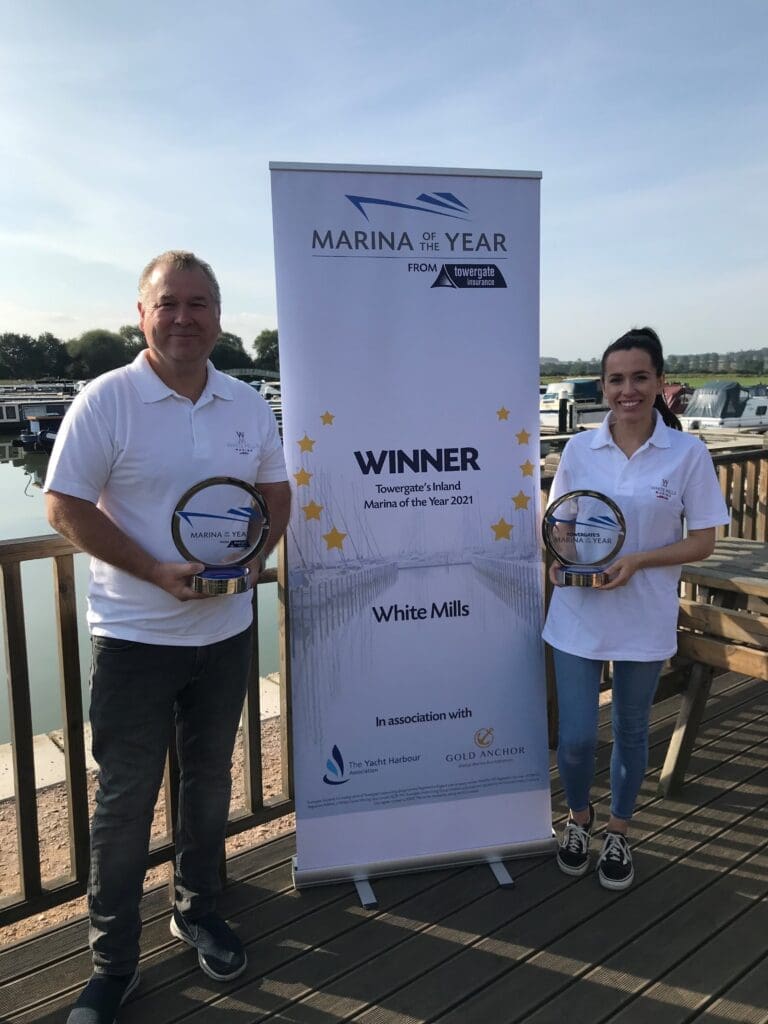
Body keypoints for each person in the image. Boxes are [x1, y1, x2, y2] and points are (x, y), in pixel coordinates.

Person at [44, 251, 291, 1024]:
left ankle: (198, 909)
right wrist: (154, 569)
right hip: (134, 637)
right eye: (169, 304)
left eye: (200, 304)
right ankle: (112, 963)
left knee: (209, 781)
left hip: (224, 631)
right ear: (141, 314)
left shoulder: (246, 402)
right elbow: (62, 507)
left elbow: (277, 494)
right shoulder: (105, 399)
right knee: (123, 807)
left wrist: (255, 560)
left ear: (220, 316)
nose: (185, 317)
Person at [542, 327, 728, 890]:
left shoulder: (688, 452)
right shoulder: (578, 447)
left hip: (644, 613)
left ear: (660, 383)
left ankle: (619, 830)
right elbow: (560, 523)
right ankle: (579, 819)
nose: (628, 390)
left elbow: (703, 541)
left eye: (639, 377)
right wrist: (557, 556)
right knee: (574, 737)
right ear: (603, 385)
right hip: (577, 611)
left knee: (628, 728)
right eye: (617, 379)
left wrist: (640, 560)